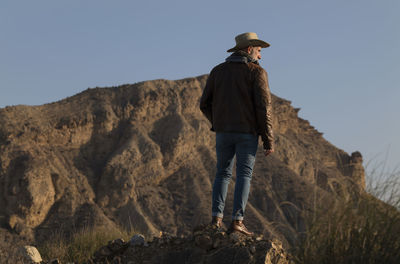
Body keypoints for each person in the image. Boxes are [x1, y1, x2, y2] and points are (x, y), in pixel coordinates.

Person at [200, 32, 274, 236]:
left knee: (222, 173)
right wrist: (268, 139)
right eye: (259, 51)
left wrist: (219, 122)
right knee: (244, 175)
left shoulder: (217, 71)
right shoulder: (257, 72)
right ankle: (237, 223)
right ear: (249, 50)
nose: (260, 56)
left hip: (223, 133)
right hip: (246, 134)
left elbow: (204, 104)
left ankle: (215, 221)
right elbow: (264, 107)